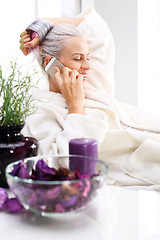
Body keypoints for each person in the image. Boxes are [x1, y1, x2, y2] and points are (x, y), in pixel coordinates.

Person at [20, 8, 160, 189]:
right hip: (146, 166)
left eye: (88, 57)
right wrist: (75, 108)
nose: (87, 66)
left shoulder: (90, 84)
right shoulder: (39, 112)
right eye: (78, 58)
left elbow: (97, 31)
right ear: (51, 64)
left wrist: (43, 23)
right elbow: (61, 168)